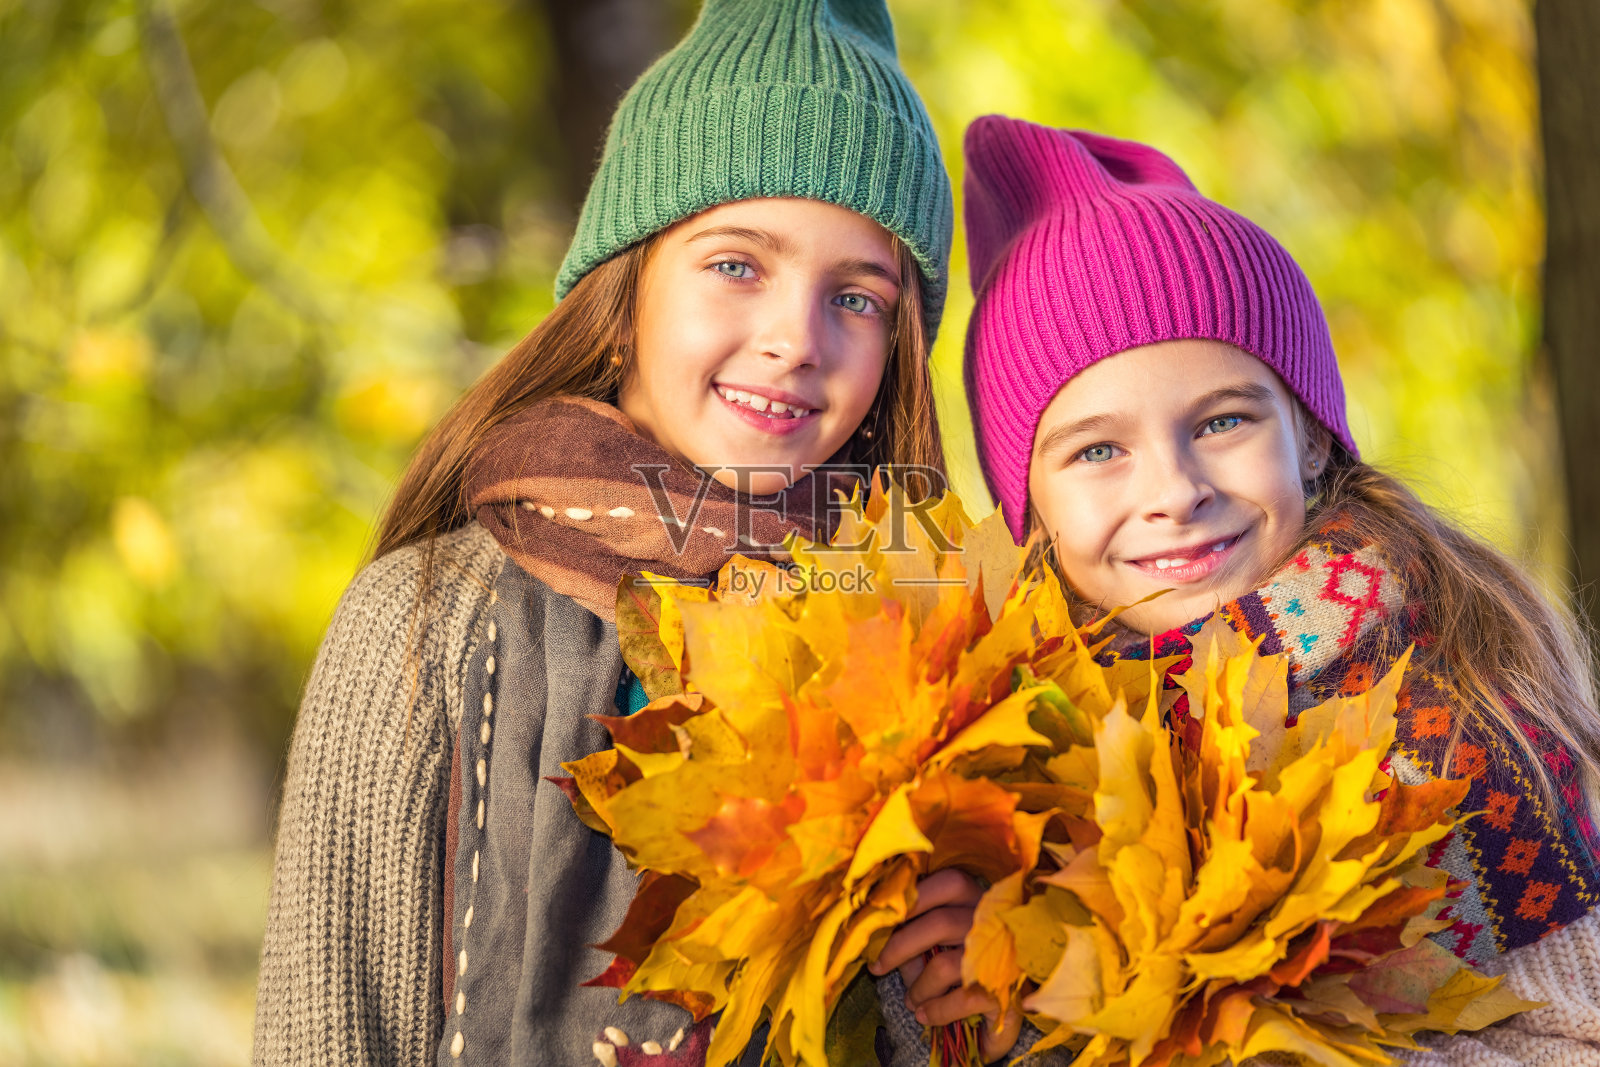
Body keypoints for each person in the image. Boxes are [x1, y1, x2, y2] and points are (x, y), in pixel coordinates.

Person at [248, 1, 989, 1063]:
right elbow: (327, 1028)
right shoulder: (429, 617)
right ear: (627, 283)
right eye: (738, 263)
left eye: (859, 298)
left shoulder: (934, 651)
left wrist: (967, 990)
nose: (794, 338)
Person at [959, 113, 1600, 1064]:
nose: (1175, 491)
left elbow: (1575, 1028)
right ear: (1030, 506)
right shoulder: (1009, 747)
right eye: (1098, 449)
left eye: (1221, 422)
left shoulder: (1455, 708)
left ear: (1307, 434)